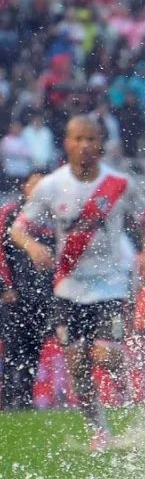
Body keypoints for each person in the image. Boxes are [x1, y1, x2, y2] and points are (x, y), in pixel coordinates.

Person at [10, 115, 145, 451]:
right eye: (78, 139)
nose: (85, 145)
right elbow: (18, 228)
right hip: (69, 288)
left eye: (91, 139)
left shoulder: (119, 183)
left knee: (106, 356)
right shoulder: (51, 186)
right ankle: (99, 431)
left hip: (110, 285)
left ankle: (135, 402)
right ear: (67, 143)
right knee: (77, 366)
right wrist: (33, 247)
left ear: (101, 144)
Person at [0, 171, 54, 409]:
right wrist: (5, 287)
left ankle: (25, 400)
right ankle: (8, 399)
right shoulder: (10, 213)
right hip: (14, 296)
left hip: (42, 296)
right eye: (34, 184)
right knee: (13, 349)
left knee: (34, 349)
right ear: (24, 187)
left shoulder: (53, 216)